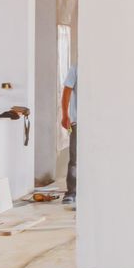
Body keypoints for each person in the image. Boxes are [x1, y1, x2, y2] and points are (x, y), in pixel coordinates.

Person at [60, 64, 78, 205]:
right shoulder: (76, 68)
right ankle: (71, 192)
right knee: (74, 159)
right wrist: (65, 115)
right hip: (78, 122)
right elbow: (67, 91)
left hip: (98, 122)